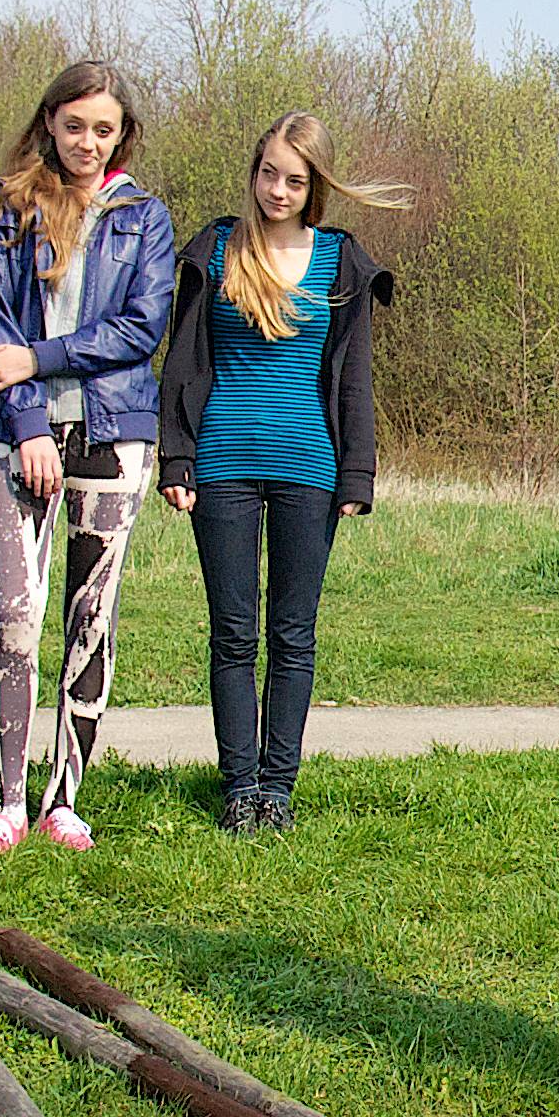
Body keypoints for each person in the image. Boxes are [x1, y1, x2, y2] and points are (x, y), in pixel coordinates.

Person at [153, 112, 408, 836]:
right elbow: (183, 359)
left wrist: (358, 473)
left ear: (315, 186)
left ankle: (278, 789)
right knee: (233, 633)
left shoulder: (341, 262)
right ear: (254, 171)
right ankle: (238, 787)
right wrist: (177, 456)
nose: (277, 188)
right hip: (222, 463)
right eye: (269, 172)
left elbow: (354, 377)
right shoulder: (216, 250)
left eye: (295, 178)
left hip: (310, 468)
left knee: (294, 634)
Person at [0, 59, 178, 861]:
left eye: (103, 128)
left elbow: (140, 328)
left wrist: (41, 357)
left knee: (92, 617)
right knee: (15, 617)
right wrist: (28, 427)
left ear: (121, 136)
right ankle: (5, 803)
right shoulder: (5, 210)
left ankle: (63, 799)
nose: (87, 141)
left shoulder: (143, 218)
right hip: (17, 441)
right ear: (49, 121)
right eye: (74, 123)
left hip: (115, 436)